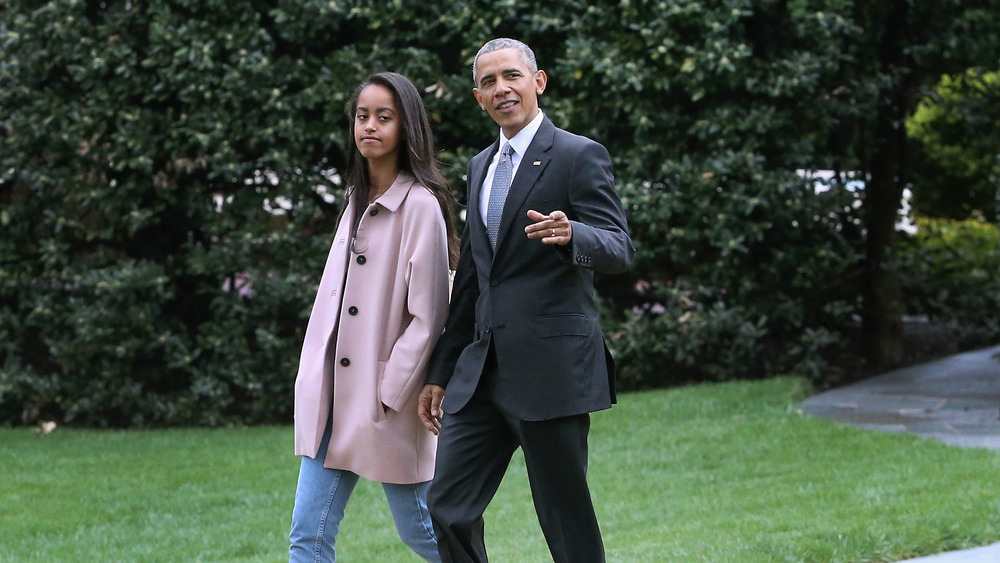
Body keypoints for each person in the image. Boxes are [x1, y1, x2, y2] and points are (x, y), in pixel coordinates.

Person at [417, 38, 634, 562]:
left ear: (537, 82)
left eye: (511, 76)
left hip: (551, 370)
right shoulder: (480, 167)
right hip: (482, 374)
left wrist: (573, 234)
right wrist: (440, 371)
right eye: (489, 82)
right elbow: (472, 279)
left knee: (565, 520)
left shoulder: (578, 155)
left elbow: (619, 248)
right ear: (478, 97)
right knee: (447, 508)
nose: (502, 89)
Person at [290, 71, 457, 563]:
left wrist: (389, 391)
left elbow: (429, 316)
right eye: (362, 116)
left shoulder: (421, 207)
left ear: (406, 128)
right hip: (331, 395)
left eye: (384, 117)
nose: (370, 126)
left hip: (386, 400)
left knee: (421, 532)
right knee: (308, 533)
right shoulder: (353, 200)